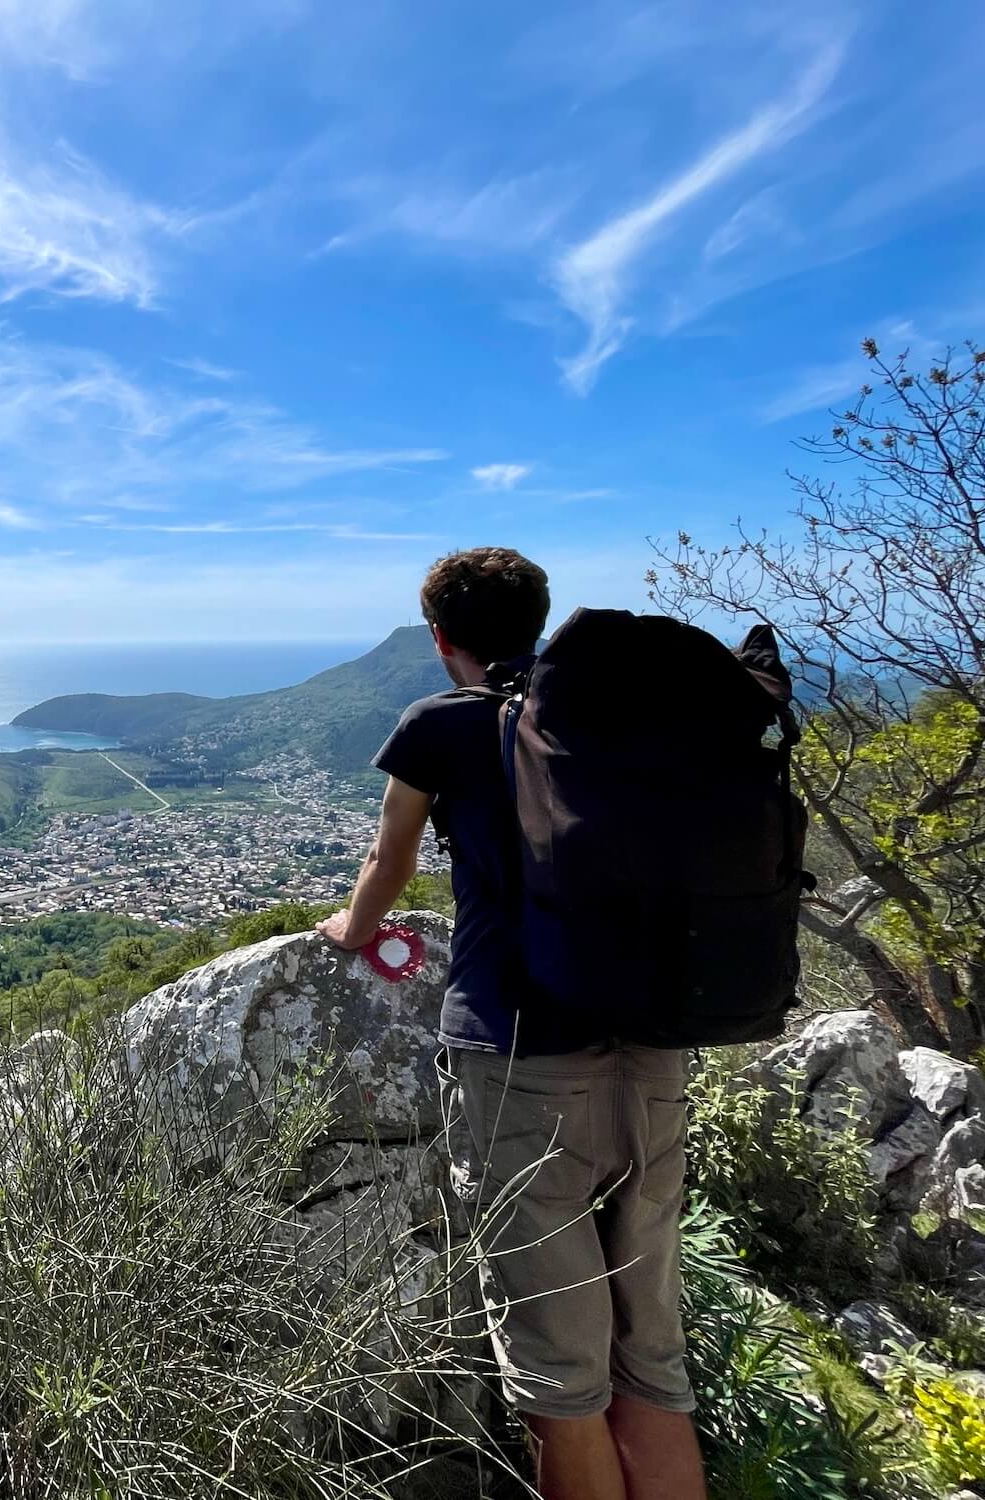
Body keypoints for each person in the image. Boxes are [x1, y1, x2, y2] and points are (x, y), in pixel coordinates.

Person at [315, 547, 706, 1500]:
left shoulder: (438, 726)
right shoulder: (609, 713)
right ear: (537, 621)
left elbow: (389, 859)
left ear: (441, 637)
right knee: (650, 1357)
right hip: (653, 1054)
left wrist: (349, 928)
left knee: (559, 1375)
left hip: (520, 1059)